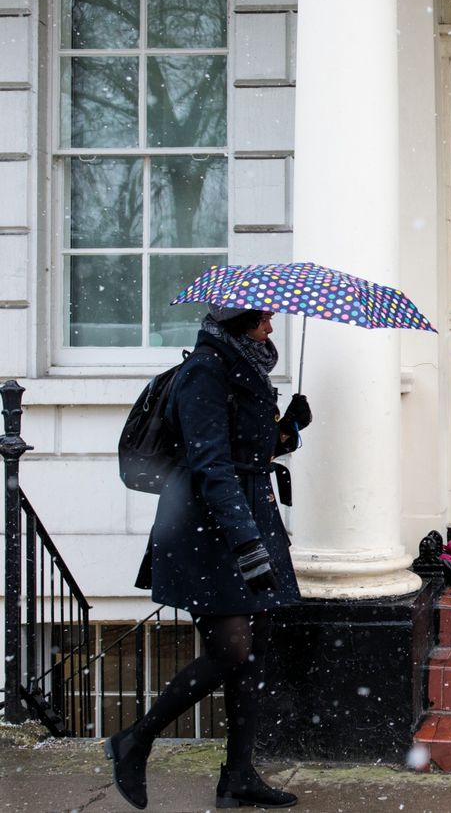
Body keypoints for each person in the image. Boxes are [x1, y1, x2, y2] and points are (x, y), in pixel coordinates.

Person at [106, 305, 312, 810]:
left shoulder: (245, 369)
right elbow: (210, 463)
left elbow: (246, 449)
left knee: (254, 653)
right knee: (232, 651)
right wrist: (245, 542)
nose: (270, 327)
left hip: (246, 517)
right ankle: (135, 740)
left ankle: (238, 776)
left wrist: (286, 428)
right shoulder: (205, 369)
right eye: (262, 320)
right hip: (206, 527)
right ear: (239, 323)